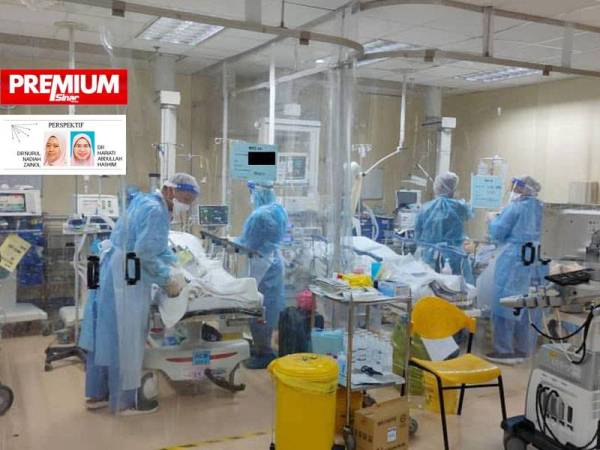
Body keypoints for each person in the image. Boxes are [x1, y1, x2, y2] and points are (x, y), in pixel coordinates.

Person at [79, 173, 199, 415]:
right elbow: (144, 254)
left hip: (115, 267)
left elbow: (155, 245)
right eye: (184, 199)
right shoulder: (156, 212)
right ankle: (124, 402)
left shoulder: (144, 201)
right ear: (169, 190)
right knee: (127, 336)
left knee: (107, 332)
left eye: (189, 201)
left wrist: (176, 260)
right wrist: (166, 279)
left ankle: (99, 393)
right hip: (128, 273)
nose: (185, 205)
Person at [486, 176, 547, 364]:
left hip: (515, 260)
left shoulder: (515, 207)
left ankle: (504, 350)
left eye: (515, 187)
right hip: (538, 259)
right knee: (531, 303)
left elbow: (498, 232)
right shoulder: (543, 208)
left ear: (521, 189)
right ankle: (524, 348)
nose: (513, 191)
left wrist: (491, 219)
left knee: (506, 302)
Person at [236, 181, 287, 369]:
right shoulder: (278, 210)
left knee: (257, 306)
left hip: (262, 264)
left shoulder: (259, 216)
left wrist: (233, 242)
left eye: (251, 192)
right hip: (273, 262)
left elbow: (249, 243)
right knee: (269, 306)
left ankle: (263, 352)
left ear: (256, 193)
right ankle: (262, 346)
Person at [415, 172, 474, 281]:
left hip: (430, 255)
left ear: (437, 187)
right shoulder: (460, 207)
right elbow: (468, 214)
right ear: (453, 188)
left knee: (431, 285)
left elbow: (418, 236)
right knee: (455, 286)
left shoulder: (425, 208)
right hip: (454, 256)